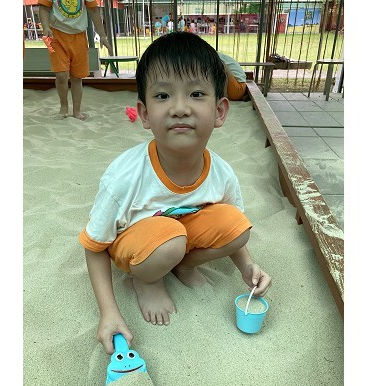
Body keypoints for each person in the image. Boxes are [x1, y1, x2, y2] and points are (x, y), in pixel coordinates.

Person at [79, 32, 273, 354]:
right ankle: (148, 281)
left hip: (177, 240)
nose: (180, 108)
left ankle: (183, 265)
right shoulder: (125, 176)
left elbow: (229, 227)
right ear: (144, 114)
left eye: (196, 94)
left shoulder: (222, 173)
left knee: (237, 226)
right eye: (163, 95)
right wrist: (108, 312)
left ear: (220, 111)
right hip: (140, 247)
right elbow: (94, 246)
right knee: (169, 239)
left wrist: (247, 267)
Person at [38, 0, 112, 120]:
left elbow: (94, 10)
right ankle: (64, 107)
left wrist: (102, 35)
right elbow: (43, 8)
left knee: (77, 77)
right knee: (61, 75)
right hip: (56, 34)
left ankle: (77, 110)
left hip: (79, 35)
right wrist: (45, 27)